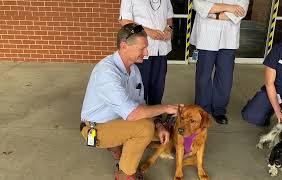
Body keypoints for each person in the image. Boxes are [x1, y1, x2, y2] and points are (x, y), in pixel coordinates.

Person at [80, 23, 179, 180]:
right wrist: (166, 108)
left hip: (117, 120)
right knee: (144, 129)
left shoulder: (133, 70)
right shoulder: (107, 73)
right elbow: (133, 114)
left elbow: (141, 106)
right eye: (142, 49)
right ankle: (125, 173)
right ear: (124, 46)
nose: (146, 53)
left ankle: (118, 146)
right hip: (95, 129)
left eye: (146, 48)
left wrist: (159, 125)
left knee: (160, 132)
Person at [190, 0, 249, 124]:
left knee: (225, 77)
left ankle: (219, 110)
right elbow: (198, 4)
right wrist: (230, 7)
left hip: (229, 39)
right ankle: (203, 109)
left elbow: (241, 10)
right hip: (206, 37)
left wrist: (213, 13)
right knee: (203, 76)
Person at [119, 0, 174, 105]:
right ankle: (140, 116)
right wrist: (147, 31)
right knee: (139, 87)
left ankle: (156, 115)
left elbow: (169, 18)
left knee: (158, 86)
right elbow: (125, 22)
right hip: (141, 51)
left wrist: (169, 29)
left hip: (161, 49)